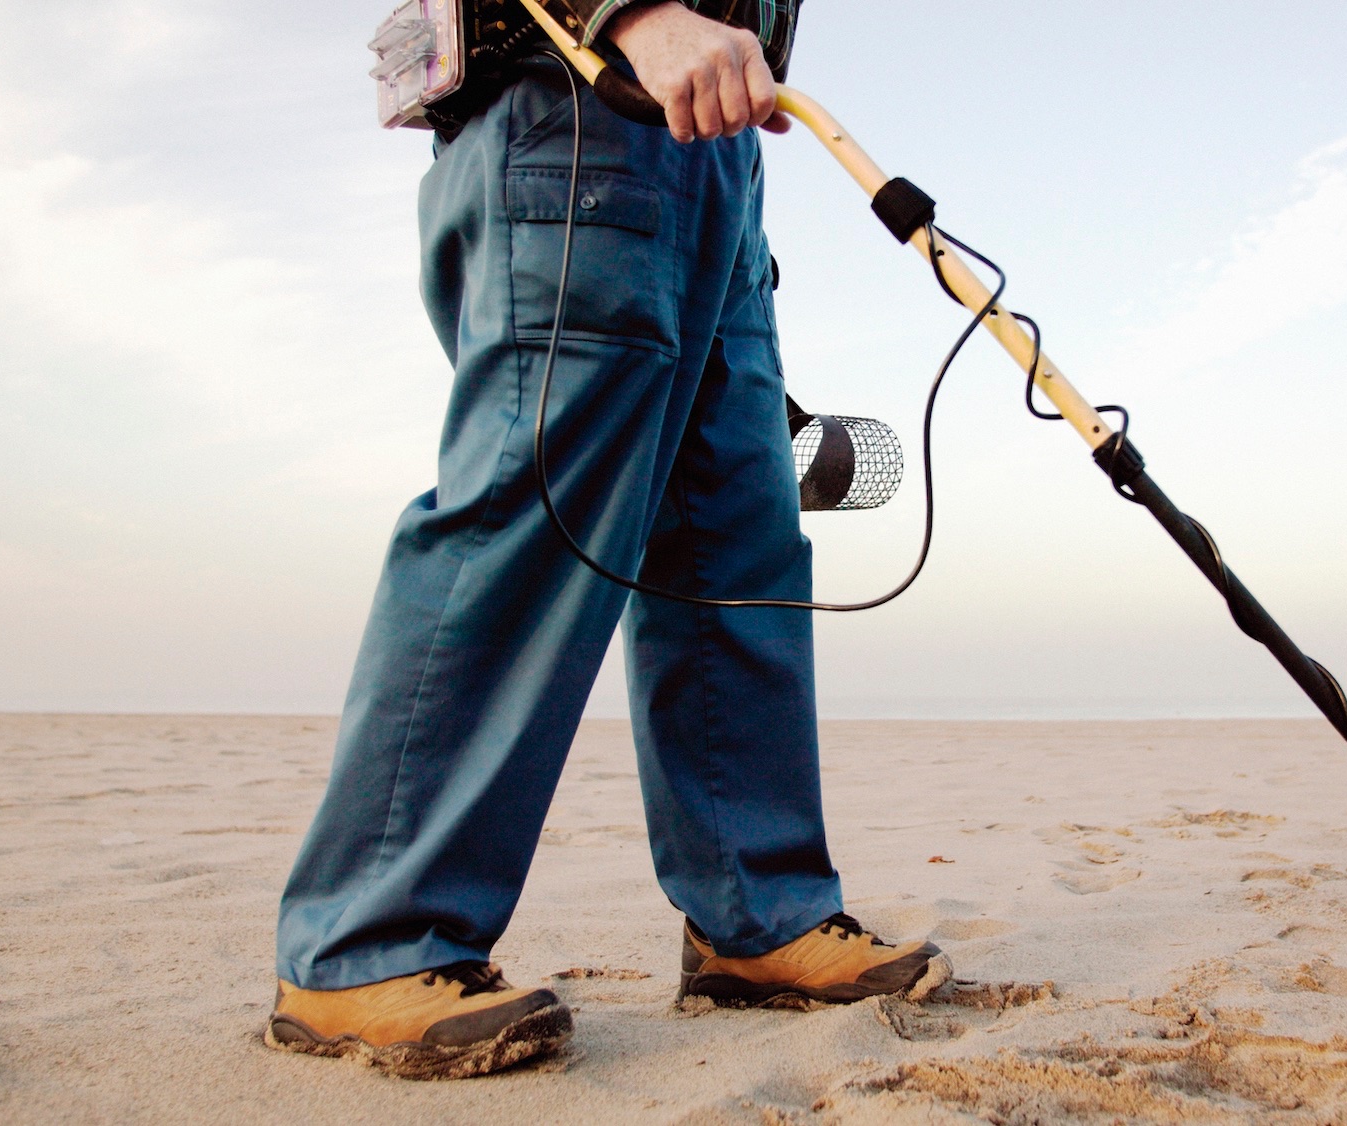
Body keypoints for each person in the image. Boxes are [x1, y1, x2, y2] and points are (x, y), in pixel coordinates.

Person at [265, 0, 947, 1080]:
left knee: (736, 536)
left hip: (713, 154)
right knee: (530, 512)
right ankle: (363, 941)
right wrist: (633, 10)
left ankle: (754, 914)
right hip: (581, 100)